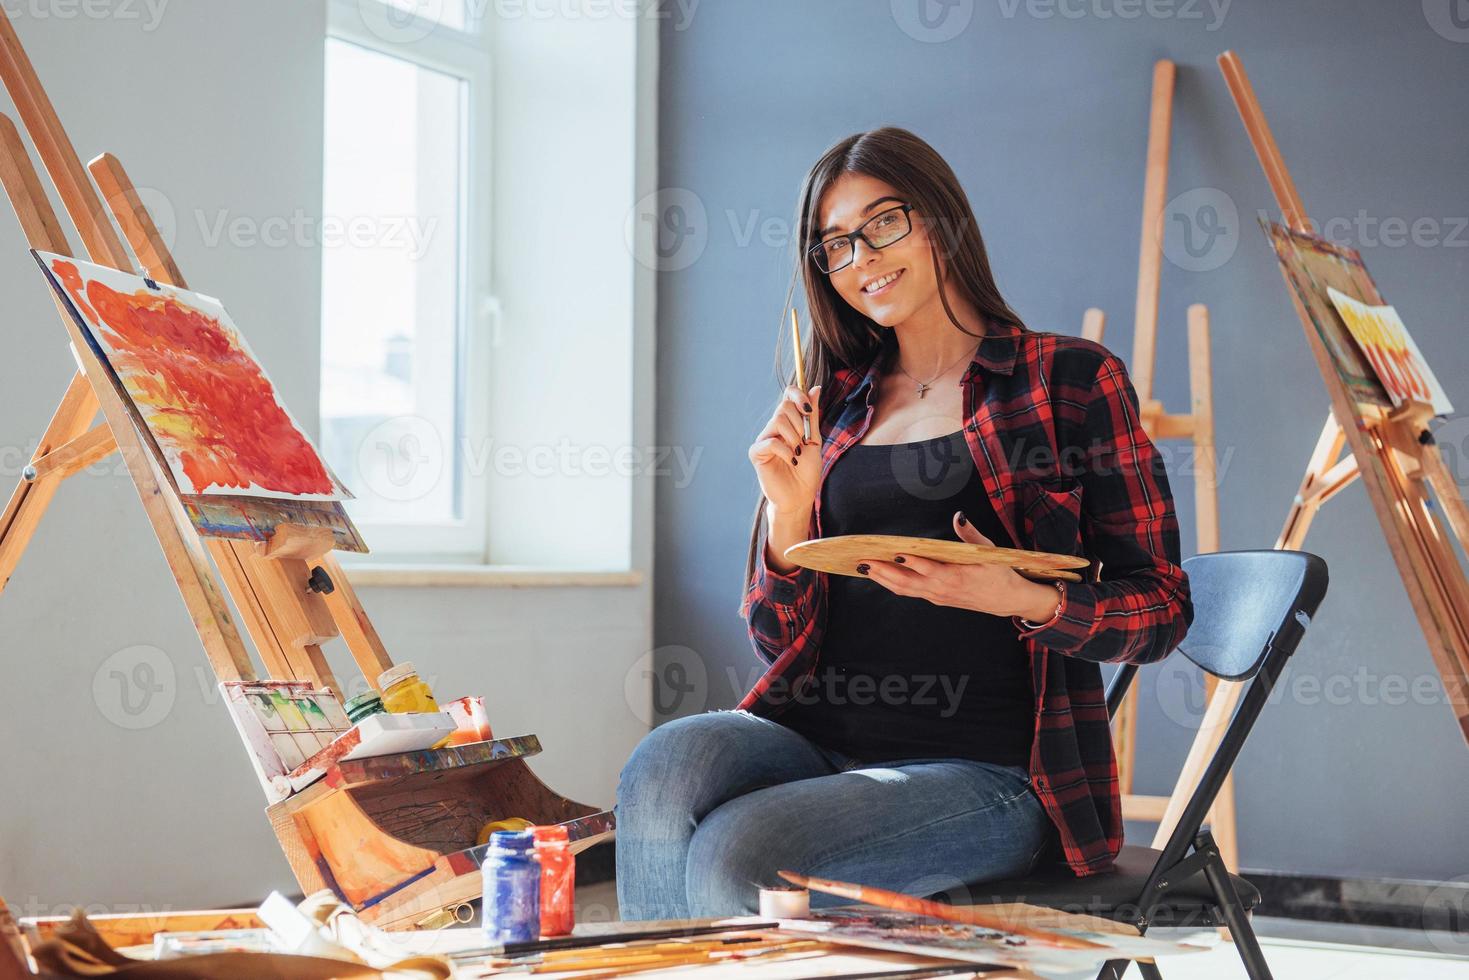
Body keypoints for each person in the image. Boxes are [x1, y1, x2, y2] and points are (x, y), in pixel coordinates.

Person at [615, 126, 1192, 920]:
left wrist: (1020, 597)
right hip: (821, 741)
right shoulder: (837, 407)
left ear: (941, 220)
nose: (863, 260)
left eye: (883, 223)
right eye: (836, 245)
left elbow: (1160, 612)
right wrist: (789, 511)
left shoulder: (1068, 380)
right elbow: (775, 642)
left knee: (741, 849)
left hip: (992, 773)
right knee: (665, 763)